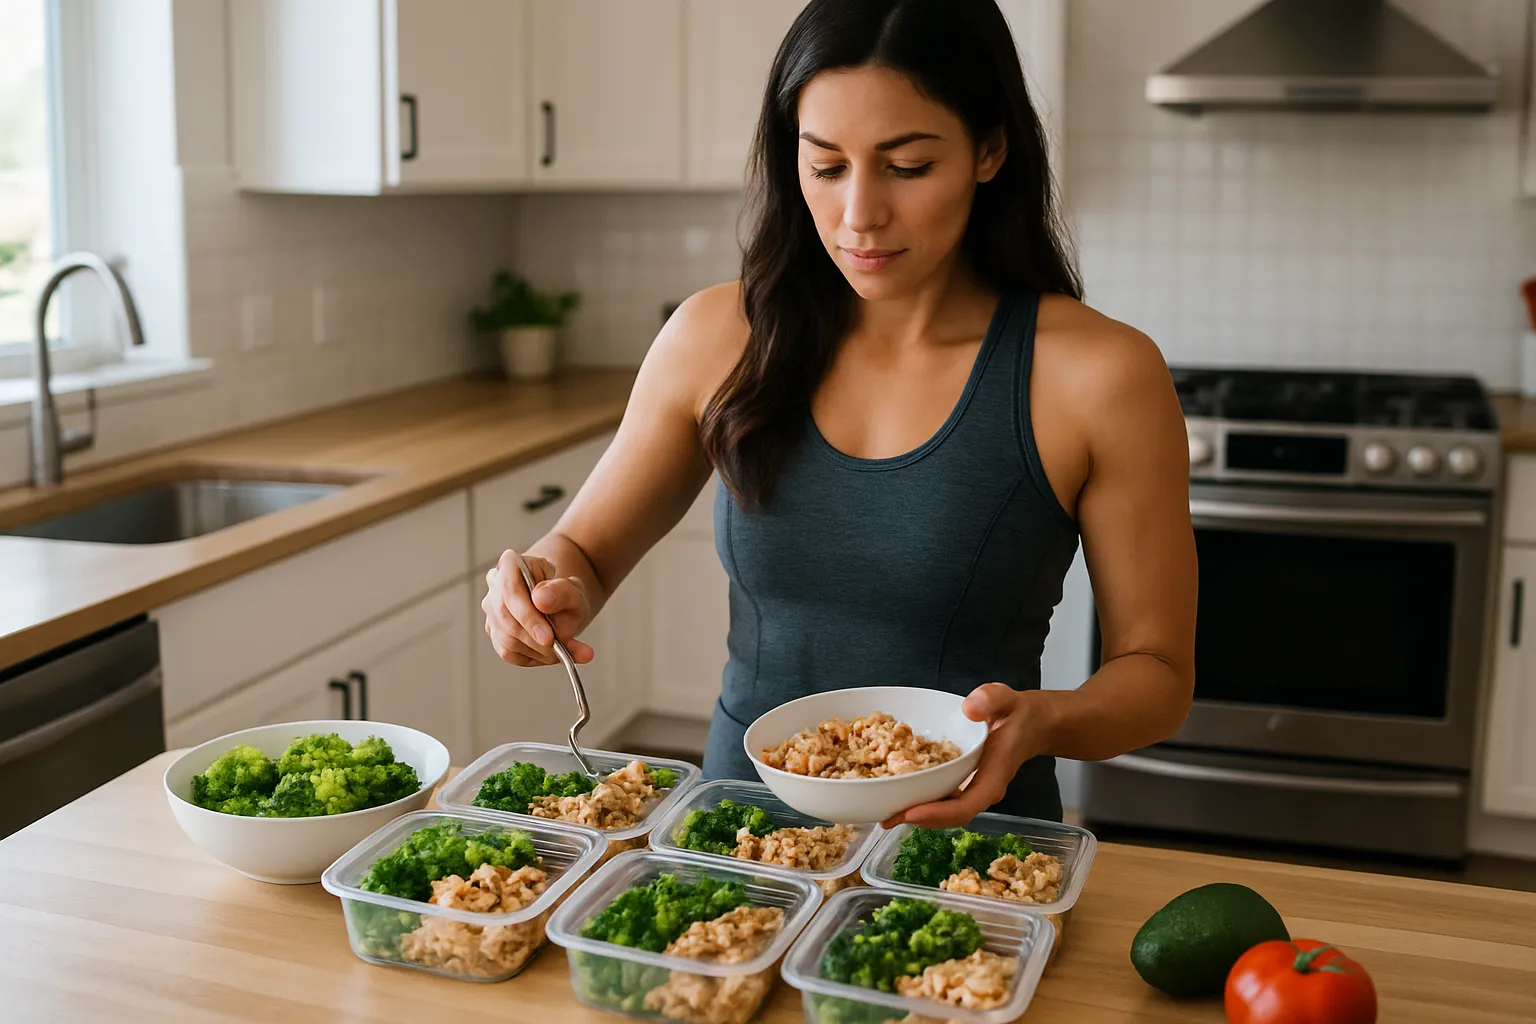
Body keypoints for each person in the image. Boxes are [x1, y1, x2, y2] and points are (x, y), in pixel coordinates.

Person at [481, 0, 1197, 828]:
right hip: (738, 845)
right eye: (826, 167)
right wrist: (535, 590)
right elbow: (583, 555)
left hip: (968, 855)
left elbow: (1156, 674)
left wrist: (1044, 723)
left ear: (990, 150)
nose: (860, 214)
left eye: (908, 166)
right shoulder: (715, 336)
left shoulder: (1099, 375)